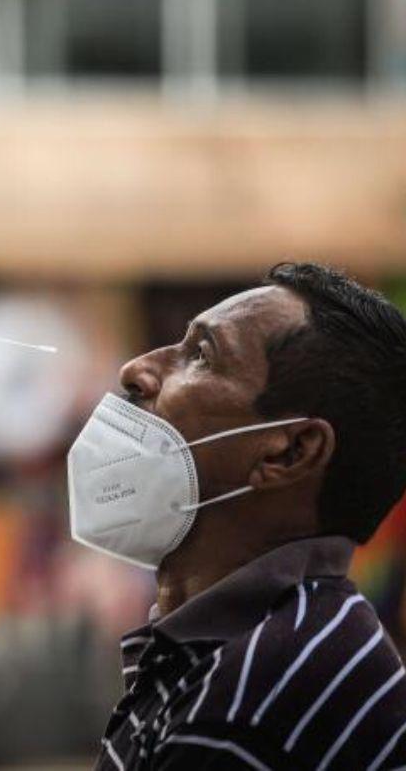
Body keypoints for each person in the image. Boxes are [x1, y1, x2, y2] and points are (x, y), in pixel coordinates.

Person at [67, 262, 406, 770]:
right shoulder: (246, 646)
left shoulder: (261, 695)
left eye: (201, 355)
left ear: (289, 453)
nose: (137, 368)